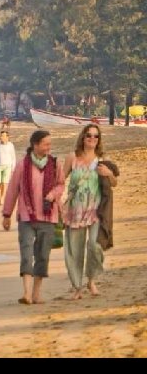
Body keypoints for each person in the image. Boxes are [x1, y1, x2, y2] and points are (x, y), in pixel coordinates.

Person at [2, 130, 65, 305]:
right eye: (45, 144)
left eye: (49, 144)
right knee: (27, 254)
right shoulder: (22, 165)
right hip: (26, 217)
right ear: (35, 145)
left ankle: (37, 293)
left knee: (42, 256)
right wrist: (6, 214)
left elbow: (61, 185)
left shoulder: (55, 164)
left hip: (48, 217)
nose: (48, 147)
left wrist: (52, 195)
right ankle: (26, 293)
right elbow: (13, 190)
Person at [61, 125, 119, 299]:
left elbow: (114, 183)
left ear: (99, 140)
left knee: (95, 245)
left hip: (96, 210)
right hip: (75, 210)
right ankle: (77, 287)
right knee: (74, 250)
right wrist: (56, 200)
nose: (92, 139)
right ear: (83, 137)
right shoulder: (73, 157)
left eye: (96, 136)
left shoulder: (101, 159)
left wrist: (108, 173)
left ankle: (91, 279)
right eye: (89, 135)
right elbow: (60, 180)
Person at [0, 130, 17, 205]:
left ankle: (2, 197)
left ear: (7, 137)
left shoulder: (11, 145)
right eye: (1, 136)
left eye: (3, 136)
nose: (1, 137)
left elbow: (13, 157)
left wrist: (13, 168)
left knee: (4, 183)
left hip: (7, 166)